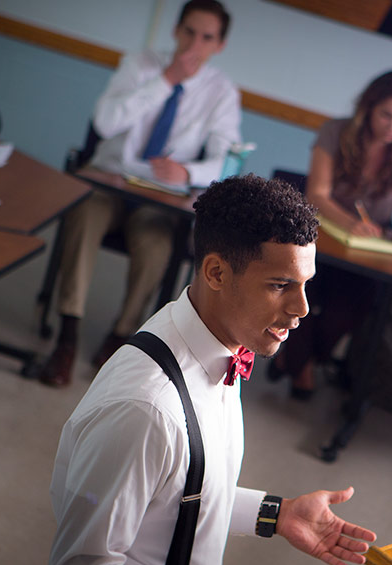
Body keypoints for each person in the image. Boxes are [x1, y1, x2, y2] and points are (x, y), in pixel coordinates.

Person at [38, 174, 376, 565]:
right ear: (216, 272)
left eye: (305, 284)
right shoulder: (146, 409)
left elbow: (174, 488)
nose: (302, 309)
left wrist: (277, 513)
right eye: (280, 285)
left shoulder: (216, 337)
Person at [39, 0, 242, 388]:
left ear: (220, 45)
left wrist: (188, 171)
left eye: (206, 37)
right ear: (175, 31)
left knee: (157, 245)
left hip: (161, 197)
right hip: (110, 179)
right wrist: (164, 80)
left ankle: (122, 334)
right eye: (188, 32)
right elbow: (104, 121)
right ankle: (68, 331)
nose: (194, 44)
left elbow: (226, 160)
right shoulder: (140, 64)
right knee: (84, 215)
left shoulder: (222, 92)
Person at [271, 70, 392, 399]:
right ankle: (302, 366)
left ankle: (298, 359)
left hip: (364, 252)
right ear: (368, 107)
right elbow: (318, 194)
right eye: (386, 115)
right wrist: (348, 221)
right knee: (304, 293)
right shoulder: (336, 131)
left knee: (355, 306)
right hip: (319, 238)